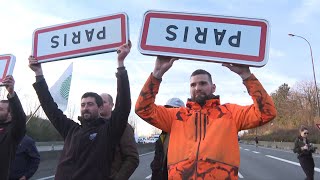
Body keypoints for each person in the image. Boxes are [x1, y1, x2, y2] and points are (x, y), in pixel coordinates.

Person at [135, 56, 277, 179]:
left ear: (213, 87)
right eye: (193, 85)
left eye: (203, 83)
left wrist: (246, 75)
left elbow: (267, 113)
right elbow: (143, 109)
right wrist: (157, 74)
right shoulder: (176, 116)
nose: (197, 88)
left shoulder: (230, 113)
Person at [28, 41, 132, 180]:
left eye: (90, 104)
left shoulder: (108, 131)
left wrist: (121, 65)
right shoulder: (71, 130)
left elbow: (123, 106)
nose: (85, 108)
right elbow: (50, 107)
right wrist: (38, 73)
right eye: (83, 105)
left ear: (100, 108)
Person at [100, 93, 139, 180]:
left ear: (112, 105)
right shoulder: (94, 126)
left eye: (104, 102)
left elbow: (132, 158)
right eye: (99, 102)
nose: (101, 105)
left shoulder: (123, 127)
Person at [150, 97, 185, 180]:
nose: (169, 113)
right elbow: (157, 163)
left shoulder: (188, 135)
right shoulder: (163, 136)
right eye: (167, 110)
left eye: (174, 110)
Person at [0, 75, 26, 180]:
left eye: (0, 109)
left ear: (10, 114)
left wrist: (11, 93)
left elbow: (20, 118)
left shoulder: (13, 132)